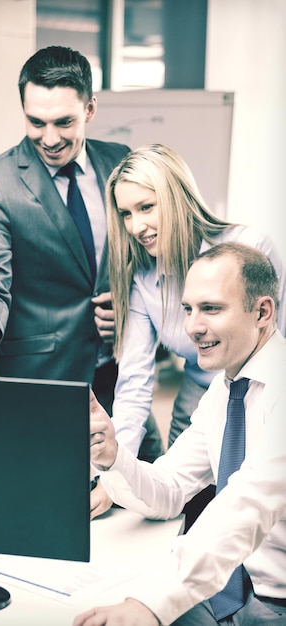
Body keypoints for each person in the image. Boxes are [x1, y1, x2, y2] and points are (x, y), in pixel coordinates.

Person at [74, 242, 286, 626]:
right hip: (222, 590)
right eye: (188, 309)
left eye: (212, 308)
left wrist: (152, 604)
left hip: (274, 603)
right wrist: (111, 455)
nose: (191, 326)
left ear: (262, 312)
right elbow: (170, 488)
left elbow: (244, 507)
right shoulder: (224, 390)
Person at [0, 46, 148, 441]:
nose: (50, 138)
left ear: (90, 109)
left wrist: (128, 311)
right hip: (41, 381)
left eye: (64, 122)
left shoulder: (121, 162)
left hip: (122, 378)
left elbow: (146, 261)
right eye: (36, 122)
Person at [90, 144, 286, 520]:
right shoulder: (142, 278)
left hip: (264, 388)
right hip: (204, 391)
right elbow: (134, 383)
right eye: (126, 214)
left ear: (176, 198)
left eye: (146, 207)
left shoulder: (248, 250)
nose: (136, 226)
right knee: (191, 505)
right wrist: (111, 470)